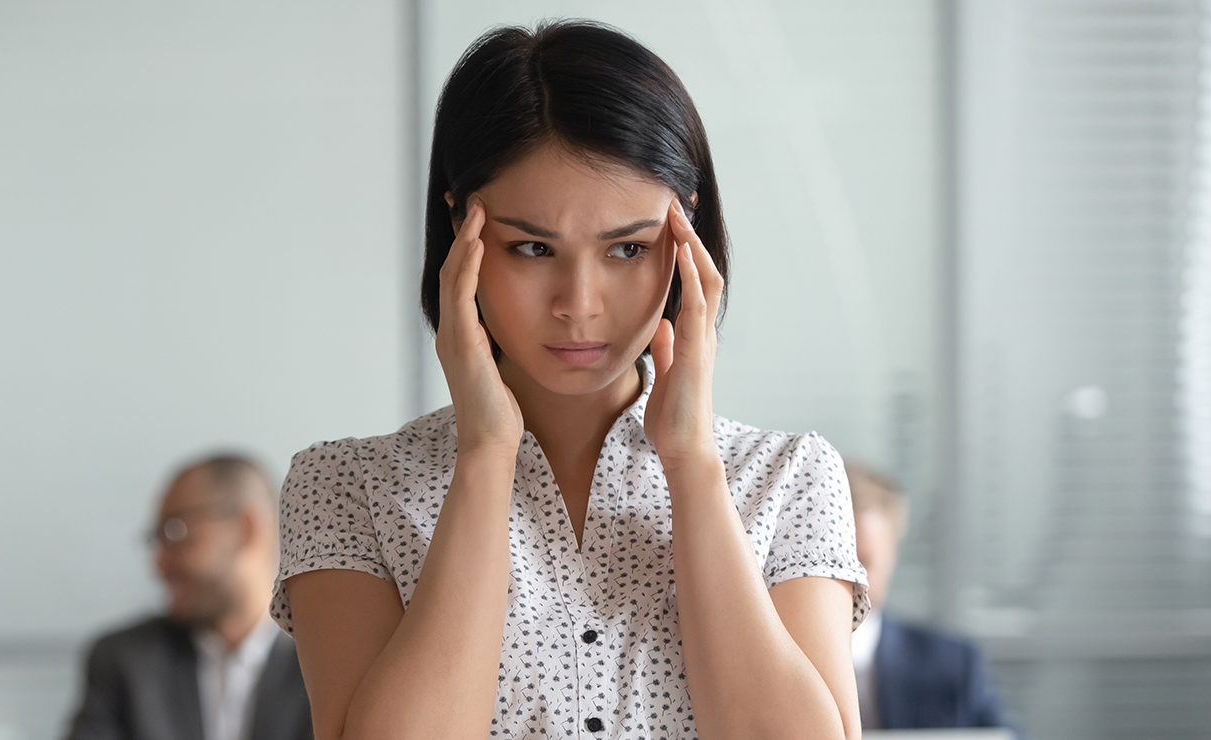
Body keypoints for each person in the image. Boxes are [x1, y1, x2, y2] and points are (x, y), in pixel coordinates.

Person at [273, 20, 870, 740]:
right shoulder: (344, 488)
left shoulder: (789, 478)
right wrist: (486, 455)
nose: (579, 304)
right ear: (459, 227)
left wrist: (693, 468)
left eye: (627, 248)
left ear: (687, 240)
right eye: (532, 247)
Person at [66, 455, 311, 740]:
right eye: (156, 539)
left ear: (246, 529)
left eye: (175, 531)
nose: (158, 565)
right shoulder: (123, 662)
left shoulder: (327, 666)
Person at [847, 462, 1012, 731]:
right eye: (835, 565)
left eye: (865, 562)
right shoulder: (766, 666)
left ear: (893, 555)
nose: (852, 582)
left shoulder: (953, 665)